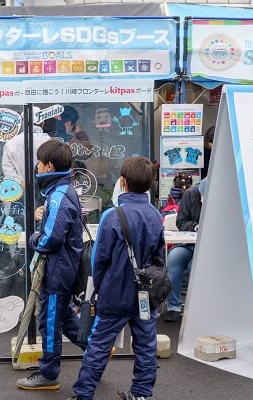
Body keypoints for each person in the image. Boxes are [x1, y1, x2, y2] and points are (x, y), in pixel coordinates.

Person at [69, 157, 164, 400]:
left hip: (115, 293)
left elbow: (99, 260)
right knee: (145, 344)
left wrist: (98, 290)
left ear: (122, 182)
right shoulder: (155, 215)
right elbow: (159, 257)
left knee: (99, 344)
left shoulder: (112, 216)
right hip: (145, 295)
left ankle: (84, 394)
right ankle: (141, 393)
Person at [16, 140, 85, 391]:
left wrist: (34, 238)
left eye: (40, 162)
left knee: (50, 320)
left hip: (57, 270)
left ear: (49, 167)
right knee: (63, 317)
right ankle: (95, 350)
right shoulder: (61, 190)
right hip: (62, 268)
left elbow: (49, 239)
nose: (37, 166)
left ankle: (48, 374)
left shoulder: (58, 195)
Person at [163, 177, 207, 322]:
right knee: (173, 259)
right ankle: (174, 306)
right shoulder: (190, 194)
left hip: (208, 247)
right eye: (202, 199)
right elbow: (181, 222)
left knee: (196, 266)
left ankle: (200, 307)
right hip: (188, 244)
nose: (203, 201)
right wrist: (195, 226)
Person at [2, 106, 52, 184]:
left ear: (23, 123)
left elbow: (8, 171)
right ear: (42, 123)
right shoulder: (49, 142)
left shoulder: (11, 143)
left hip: (19, 191)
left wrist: (21, 184)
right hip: (45, 188)